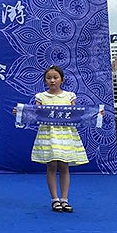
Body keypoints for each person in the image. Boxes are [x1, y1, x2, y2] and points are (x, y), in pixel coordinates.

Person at [26, 65, 89, 213]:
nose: (52, 80)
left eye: (55, 77)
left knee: (64, 166)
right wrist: (21, 112)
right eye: (49, 78)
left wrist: (96, 114)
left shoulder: (69, 96)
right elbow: (34, 113)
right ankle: (55, 199)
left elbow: (77, 114)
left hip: (65, 134)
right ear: (45, 80)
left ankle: (65, 199)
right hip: (48, 134)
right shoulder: (41, 97)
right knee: (51, 166)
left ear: (62, 79)